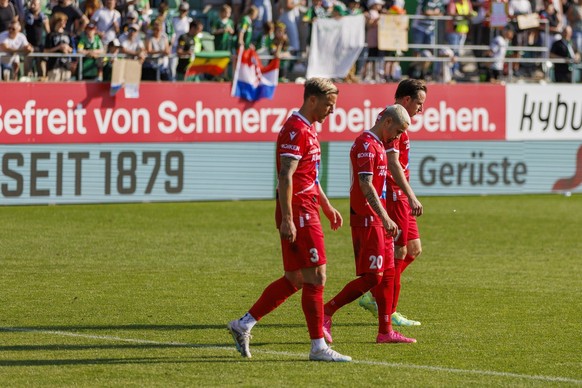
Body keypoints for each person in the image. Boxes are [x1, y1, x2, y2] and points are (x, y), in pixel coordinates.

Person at [227, 77, 352, 363]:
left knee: (295, 278)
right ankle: (318, 346)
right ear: (312, 100)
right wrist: (288, 218)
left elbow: (309, 176)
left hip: (306, 207)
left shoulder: (308, 128)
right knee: (317, 276)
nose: (331, 111)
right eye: (329, 105)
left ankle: (243, 324)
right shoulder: (296, 130)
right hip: (299, 212)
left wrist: (328, 206)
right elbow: (285, 176)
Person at [321, 104, 415, 345]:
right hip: (367, 219)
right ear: (386, 122)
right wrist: (384, 217)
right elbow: (366, 184)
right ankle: (326, 311)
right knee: (373, 277)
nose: (398, 137)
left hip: (378, 218)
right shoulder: (366, 144)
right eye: (397, 131)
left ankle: (385, 331)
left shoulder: (380, 145)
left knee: (389, 273)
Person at [360, 79, 427, 328]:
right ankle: (389, 308)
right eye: (419, 103)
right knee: (399, 251)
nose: (421, 109)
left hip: (402, 193)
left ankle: (374, 295)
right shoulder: (389, 122)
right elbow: (392, 163)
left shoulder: (400, 123)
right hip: (395, 194)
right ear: (406, 99)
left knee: (414, 249)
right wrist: (410, 195)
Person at [44, 12, 75, 81]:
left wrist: (67, 48)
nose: (65, 22)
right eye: (63, 21)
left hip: (66, 65)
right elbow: (46, 50)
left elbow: (73, 49)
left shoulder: (68, 34)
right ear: (57, 21)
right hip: (54, 66)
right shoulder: (51, 35)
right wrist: (59, 47)